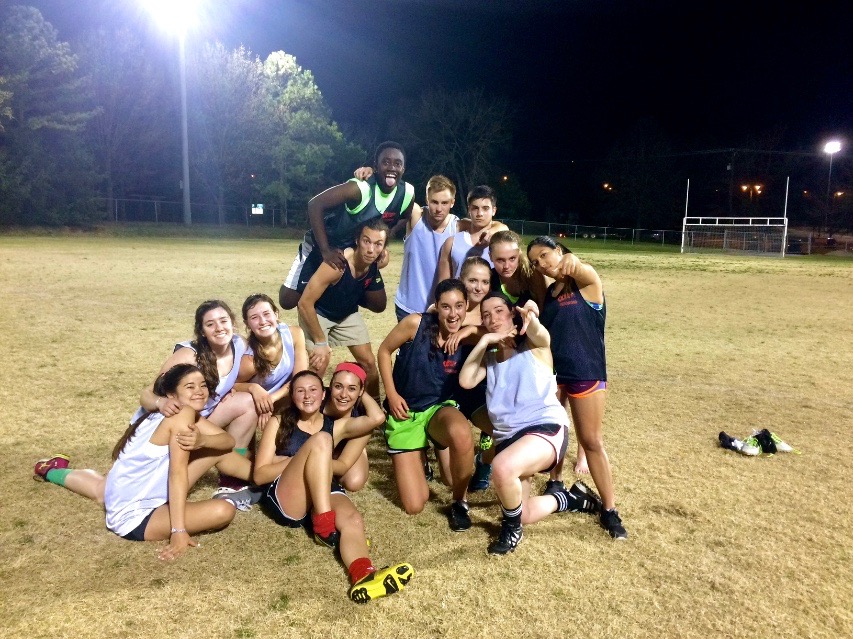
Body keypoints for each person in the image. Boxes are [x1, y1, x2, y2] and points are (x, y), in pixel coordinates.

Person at [34, 364, 254, 560]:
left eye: (203, 385)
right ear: (171, 394)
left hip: (122, 490)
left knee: (102, 489)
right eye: (190, 386)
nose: (200, 391)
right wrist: (178, 531)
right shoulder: (182, 414)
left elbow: (227, 441)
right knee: (223, 511)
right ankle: (265, 479)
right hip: (135, 517)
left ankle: (51, 471)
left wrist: (202, 440)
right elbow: (177, 473)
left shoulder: (166, 413)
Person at [458, 293, 602, 554]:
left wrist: (530, 317)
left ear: (512, 313)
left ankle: (512, 530)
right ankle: (568, 498)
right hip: (510, 439)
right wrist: (485, 341)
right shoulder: (490, 356)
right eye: (486, 315)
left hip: (544, 428)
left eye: (499, 311)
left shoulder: (534, 345)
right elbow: (466, 381)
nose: (493, 318)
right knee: (522, 511)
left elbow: (540, 333)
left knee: (502, 468)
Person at [254, 370, 413, 603]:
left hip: (323, 488)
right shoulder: (278, 422)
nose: (307, 396)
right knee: (321, 440)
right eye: (300, 391)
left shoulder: (335, 426)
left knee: (353, 520)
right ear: (292, 396)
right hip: (288, 497)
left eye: (313, 390)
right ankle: (324, 525)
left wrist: (361, 390)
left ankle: (363, 575)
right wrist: (300, 459)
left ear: (323, 394)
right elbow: (259, 475)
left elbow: (376, 418)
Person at [527, 236, 627, 539]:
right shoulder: (550, 293)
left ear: (558, 250)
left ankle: (609, 509)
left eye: (545, 255)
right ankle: (555, 481)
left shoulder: (587, 284)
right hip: (555, 374)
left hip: (586, 371)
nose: (541, 264)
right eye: (535, 262)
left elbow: (584, 270)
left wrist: (574, 262)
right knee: (555, 433)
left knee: (591, 440)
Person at [377, 279, 481, 530]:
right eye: (446, 307)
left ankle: (460, 502)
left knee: (460, 438)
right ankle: (423, 453)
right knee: (415, 505)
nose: (453, 314)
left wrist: (468, 331)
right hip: (406, 413)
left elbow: (498, 335)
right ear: (436, 306)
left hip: (438, 409)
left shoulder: (468, 336)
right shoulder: (416, 324)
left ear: (467, 306)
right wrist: (391, 394)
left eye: (459, 306)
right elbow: (383, 351)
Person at [135, 300, 259, 500]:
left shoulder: (239, 344)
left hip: (201, 418)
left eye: (223, 321)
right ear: (201, 331)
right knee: (157, 486)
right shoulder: (188, 355)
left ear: (233, 323)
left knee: (248, 402)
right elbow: (147, 394)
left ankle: (231, 474)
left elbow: (241, 378)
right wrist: (161, 403)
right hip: (171, 421)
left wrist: (252, 388)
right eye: (210, 324)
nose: (219, 328)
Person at [279, 141, 417, 310]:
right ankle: (320, 282)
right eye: (386, 162)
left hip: (355, 250)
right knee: (287, 301)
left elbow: (405, 216)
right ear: (376, 166)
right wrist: (325, 250)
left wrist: (383, 243)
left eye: (397, 164)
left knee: (378, 304)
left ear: (403, 169)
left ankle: (342, 293)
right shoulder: (360, 188)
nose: (392, 168)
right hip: (327, 244)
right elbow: (315, 204)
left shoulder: (407, 193)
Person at [297, 219, 389, 401]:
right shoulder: (337, 265)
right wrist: (320, 342)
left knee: (369, 364)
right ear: (357, 240)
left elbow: (384, 259)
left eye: (378, 244)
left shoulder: (376, 260)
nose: (371, 249)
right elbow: (304, 303)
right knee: (319, 364)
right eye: (366, 241)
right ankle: (308, 411)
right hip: (318, 313)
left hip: (347, 314)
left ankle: (375, 408)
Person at [234, 293, 308, 430]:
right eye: (254, 317)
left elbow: (301, 378)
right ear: (247, 324)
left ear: (276, 314)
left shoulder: (294, 334)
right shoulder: (250, 361)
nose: (262, 321)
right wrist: (253, 388)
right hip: (255, 404)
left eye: (266, 314)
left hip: (278, 398)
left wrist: (271, 400)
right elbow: (231, 386)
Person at [393, 174, 460, 321]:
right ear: (427, 200)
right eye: (434, 202)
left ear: (452, 202)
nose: (439, 209)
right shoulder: (416, 216)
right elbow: (392, 191)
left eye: (444, 203)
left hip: (440, 310)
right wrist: (370, 175)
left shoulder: (458, 227)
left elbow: (490, 226)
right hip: (407, 308)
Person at [437, 185, 508, 281]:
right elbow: (443, 284)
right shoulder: (451, 243)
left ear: (494, 211)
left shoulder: (502, 242)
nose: (480, 213)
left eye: (485, 208)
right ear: (469, 210)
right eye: (475, 208)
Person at [324, 362, 373, 492]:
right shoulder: (318, 400)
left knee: (353, 482)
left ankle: (359, 451)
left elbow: (378, 418)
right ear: (330, 386)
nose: (343, 395)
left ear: (361, 391)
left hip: (345, 446)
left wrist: (360, 388)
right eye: (338, 386)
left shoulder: (363, 414)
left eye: (352, 388)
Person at [488, 230, 549, 310]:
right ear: (490, 256)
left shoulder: (533, 273)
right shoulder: (488, 279)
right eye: (500, 260)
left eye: (512, 258)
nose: (506, 266)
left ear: (519, 254)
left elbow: (545, 308)